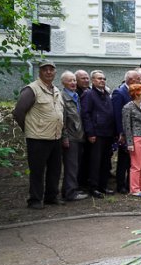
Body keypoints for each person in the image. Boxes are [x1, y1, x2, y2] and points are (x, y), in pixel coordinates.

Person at [13, 61, 64, 209]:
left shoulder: (56, 90)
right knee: (37, 171)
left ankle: (51, 197)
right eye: (45, 70)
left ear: (55, 72)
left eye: (51, 70)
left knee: (55, 170)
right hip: (37, 138)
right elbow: (18, 112)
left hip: (55, 136)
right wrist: (29, 129)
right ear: (39, 72)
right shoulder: (31, 89)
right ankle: (35, 200)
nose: (48, 72)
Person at [82, 70, 116, 198]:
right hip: (96, 133)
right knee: (95, 162)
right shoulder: (89, 94)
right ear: (92, 80)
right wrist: (90, 132)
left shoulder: (106, 94)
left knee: (105, 162)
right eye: (99, 78)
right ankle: (93, 187)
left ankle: (103, 186)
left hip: (108, 133)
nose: (102, 80)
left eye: (104, 78)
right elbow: (86, 114)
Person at [59, 71, 88, 201]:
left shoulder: (76, 95)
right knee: (71, 166)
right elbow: (62, 119)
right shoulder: (62, 97)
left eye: (74, 80)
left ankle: (69, 189)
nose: (73, 83)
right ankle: (70, 193)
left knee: (75, 165)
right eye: (70, 81)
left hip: (78, 136)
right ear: (63, 83)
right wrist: (64, 137)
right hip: (70, 137)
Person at [112, 70, 141, 194]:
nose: (139, 81)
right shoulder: (119, 92)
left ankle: (131, 184)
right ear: (130, 80)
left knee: (132, 160)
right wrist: (121, 133)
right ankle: (120, 185)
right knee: (123, 160)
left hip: (136, 132)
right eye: (137, 79)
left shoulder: (134, 91)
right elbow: (117, 115)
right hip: (125, 132)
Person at [122, 83, 141, 197]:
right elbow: (127, 126)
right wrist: (129, 143)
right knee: (136, 165)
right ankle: (134, 189)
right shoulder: (128, 107)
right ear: (137, 93)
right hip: (136, 138)